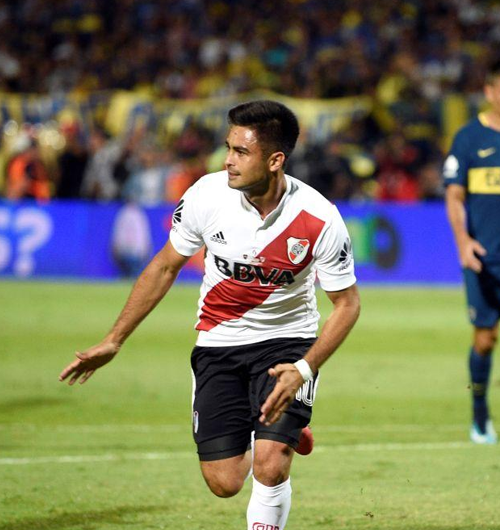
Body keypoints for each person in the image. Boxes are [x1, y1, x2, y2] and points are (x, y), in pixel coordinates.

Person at [60, 100, 360, 530]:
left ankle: (278, 440)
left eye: (241, 151)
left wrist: (305, 368)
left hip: (287, 343)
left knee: (270, 466)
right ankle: (280, 433)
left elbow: (347, 304)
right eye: (228, 147)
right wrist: (114, 339)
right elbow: (165, 266)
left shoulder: (319, 218)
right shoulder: (206, 195)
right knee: (224, 482)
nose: (228, 161)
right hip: (219, 344)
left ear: (275, 160)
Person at [443, 58, 500, 445]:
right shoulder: (468, 139)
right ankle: (480, 415)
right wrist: (463, 242)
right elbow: (454, 195)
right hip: (484, 258)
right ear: (490, 92)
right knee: (484, 339)